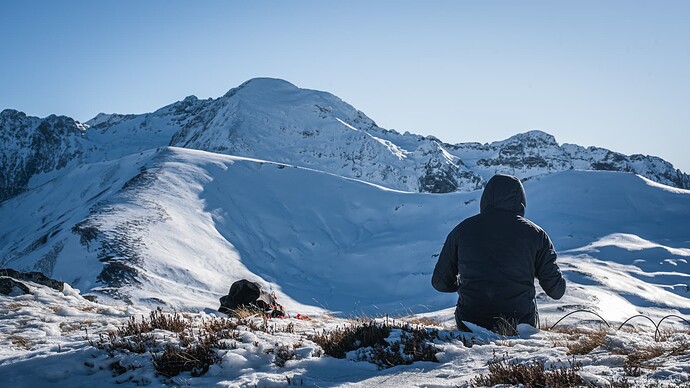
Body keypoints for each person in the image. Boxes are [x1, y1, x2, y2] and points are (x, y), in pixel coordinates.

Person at [432, 174, 566, 334]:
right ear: (521, 201)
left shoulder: (462, 230)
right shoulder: (536, 234)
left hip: (470, 323)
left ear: (485, 198)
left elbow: (440, 283)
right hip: (520, 326)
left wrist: (462, 285)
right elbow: (556, 291)